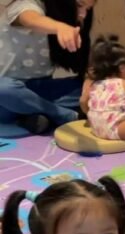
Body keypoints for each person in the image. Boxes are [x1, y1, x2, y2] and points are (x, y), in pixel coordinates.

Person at [0, 0, 96, 134]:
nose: (83, 14)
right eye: (80, 6)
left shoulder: (71, 21)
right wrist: (59, 27)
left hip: (40, 91)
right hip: (10, 94)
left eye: (88, 9)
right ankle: (65, 116)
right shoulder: (26, 5)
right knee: (3, 89)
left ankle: (32, 116)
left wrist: (89, 84)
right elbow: (30, 19)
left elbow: (86, 66)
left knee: (100, 86)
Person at [80, 34, 125, 140]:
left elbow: (83, 101)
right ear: (123, 68)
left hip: (96, 128)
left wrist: (92, 115)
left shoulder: (94, 84)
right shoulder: (124, 84)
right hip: (116, 128)